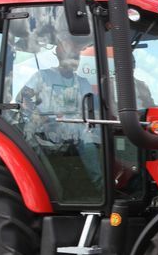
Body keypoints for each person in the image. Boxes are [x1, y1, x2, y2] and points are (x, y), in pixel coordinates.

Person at [16, 40, 102, 189]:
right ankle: (36, 185)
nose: (75, 60)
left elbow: (91, 108)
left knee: (91, 144)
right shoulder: (43, 76)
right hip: (45, 128)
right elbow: (24, 97)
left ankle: (100, 186)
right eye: (71, 56)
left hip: (75, 129)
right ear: (60, 57)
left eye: (76, 57)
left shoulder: (83, 83)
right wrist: (35, 115)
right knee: (29, 139)